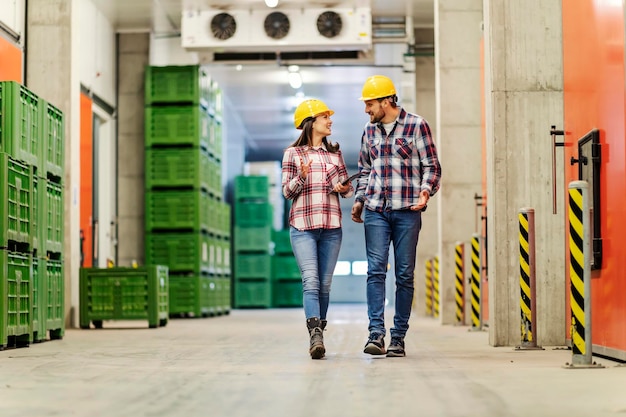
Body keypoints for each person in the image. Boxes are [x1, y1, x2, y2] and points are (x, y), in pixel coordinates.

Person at [351, 75, 442, 357]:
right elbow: (365, 170)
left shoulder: (417, 125)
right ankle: (375, 334)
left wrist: (425, 191)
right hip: (376, 210)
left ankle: (398, 337)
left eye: (370, 104)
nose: (367, 110)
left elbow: (432, 166)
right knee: (375, 271)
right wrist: (359, 199)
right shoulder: (369, 131)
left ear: (387, 101)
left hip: (407, 212)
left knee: (404, 274)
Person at [281, 98, 353, 359]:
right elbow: (287, 192)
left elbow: (345, 188)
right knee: (310, 281)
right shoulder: (293, 154)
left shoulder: (335, 153)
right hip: (303, 227)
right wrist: (301, 175)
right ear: (311, 123)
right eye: (325, 117)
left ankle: (318, 331)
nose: (329, 121)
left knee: (324, 285)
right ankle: (315, 334)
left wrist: (344, 188)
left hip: (332, 226)